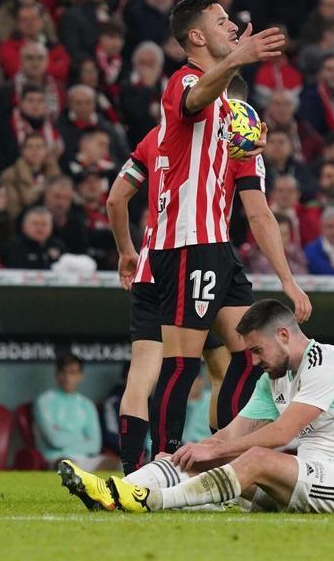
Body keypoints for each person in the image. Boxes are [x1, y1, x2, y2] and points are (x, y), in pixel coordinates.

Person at [142, 0, 311, 459]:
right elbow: (196, 99)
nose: (234, 28)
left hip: (218, 247)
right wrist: (239, 57)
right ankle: (162, 462)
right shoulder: (183, 82)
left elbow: (257, 209)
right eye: (222, 23)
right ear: (196, 36)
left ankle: (226, 454)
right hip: (185, 241)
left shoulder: (237, 116)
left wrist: (288, 280)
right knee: (182, 363)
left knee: (248, 354)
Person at [60, 299, 334, 516]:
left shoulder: (327, 362)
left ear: (284, 335)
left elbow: (284, 432)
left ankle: (151, 500)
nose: (253, 361)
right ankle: (113, 492)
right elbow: (231, 433)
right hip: (297, 481)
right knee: (193, 456)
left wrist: (213, 452)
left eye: (257, 350)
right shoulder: (274, 379)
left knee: (253, 458)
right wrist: (193, 452)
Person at [104, 126, 232, 474]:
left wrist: (126, 251)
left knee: (141, 378)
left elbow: (115, 199)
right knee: (222, 370)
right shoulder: (221, 136)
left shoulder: (153, 137)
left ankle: (133, 472)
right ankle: (217, 465)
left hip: (149, 266)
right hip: (196, 261)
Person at [34, 354, 115, 471]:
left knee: (114, 463)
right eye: (63, 372)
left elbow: (95, 446)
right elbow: (55, 441)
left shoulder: (87, 405)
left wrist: (63, 434)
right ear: (57, 374)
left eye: (73, 373)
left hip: (86, 460)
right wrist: (82, 438)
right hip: (56, 458)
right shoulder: (44, 401)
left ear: (80, 376)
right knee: (66, 464)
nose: (68, 377)